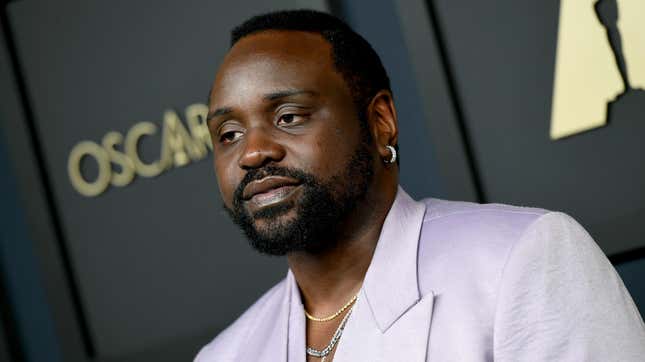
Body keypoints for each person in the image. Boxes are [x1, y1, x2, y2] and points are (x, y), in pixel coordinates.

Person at [195, 9, 645, 362]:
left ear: (380, 121)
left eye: (288, 117)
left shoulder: (522, 259)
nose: (252, 153)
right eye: (228, 134)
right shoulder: (223, 356)